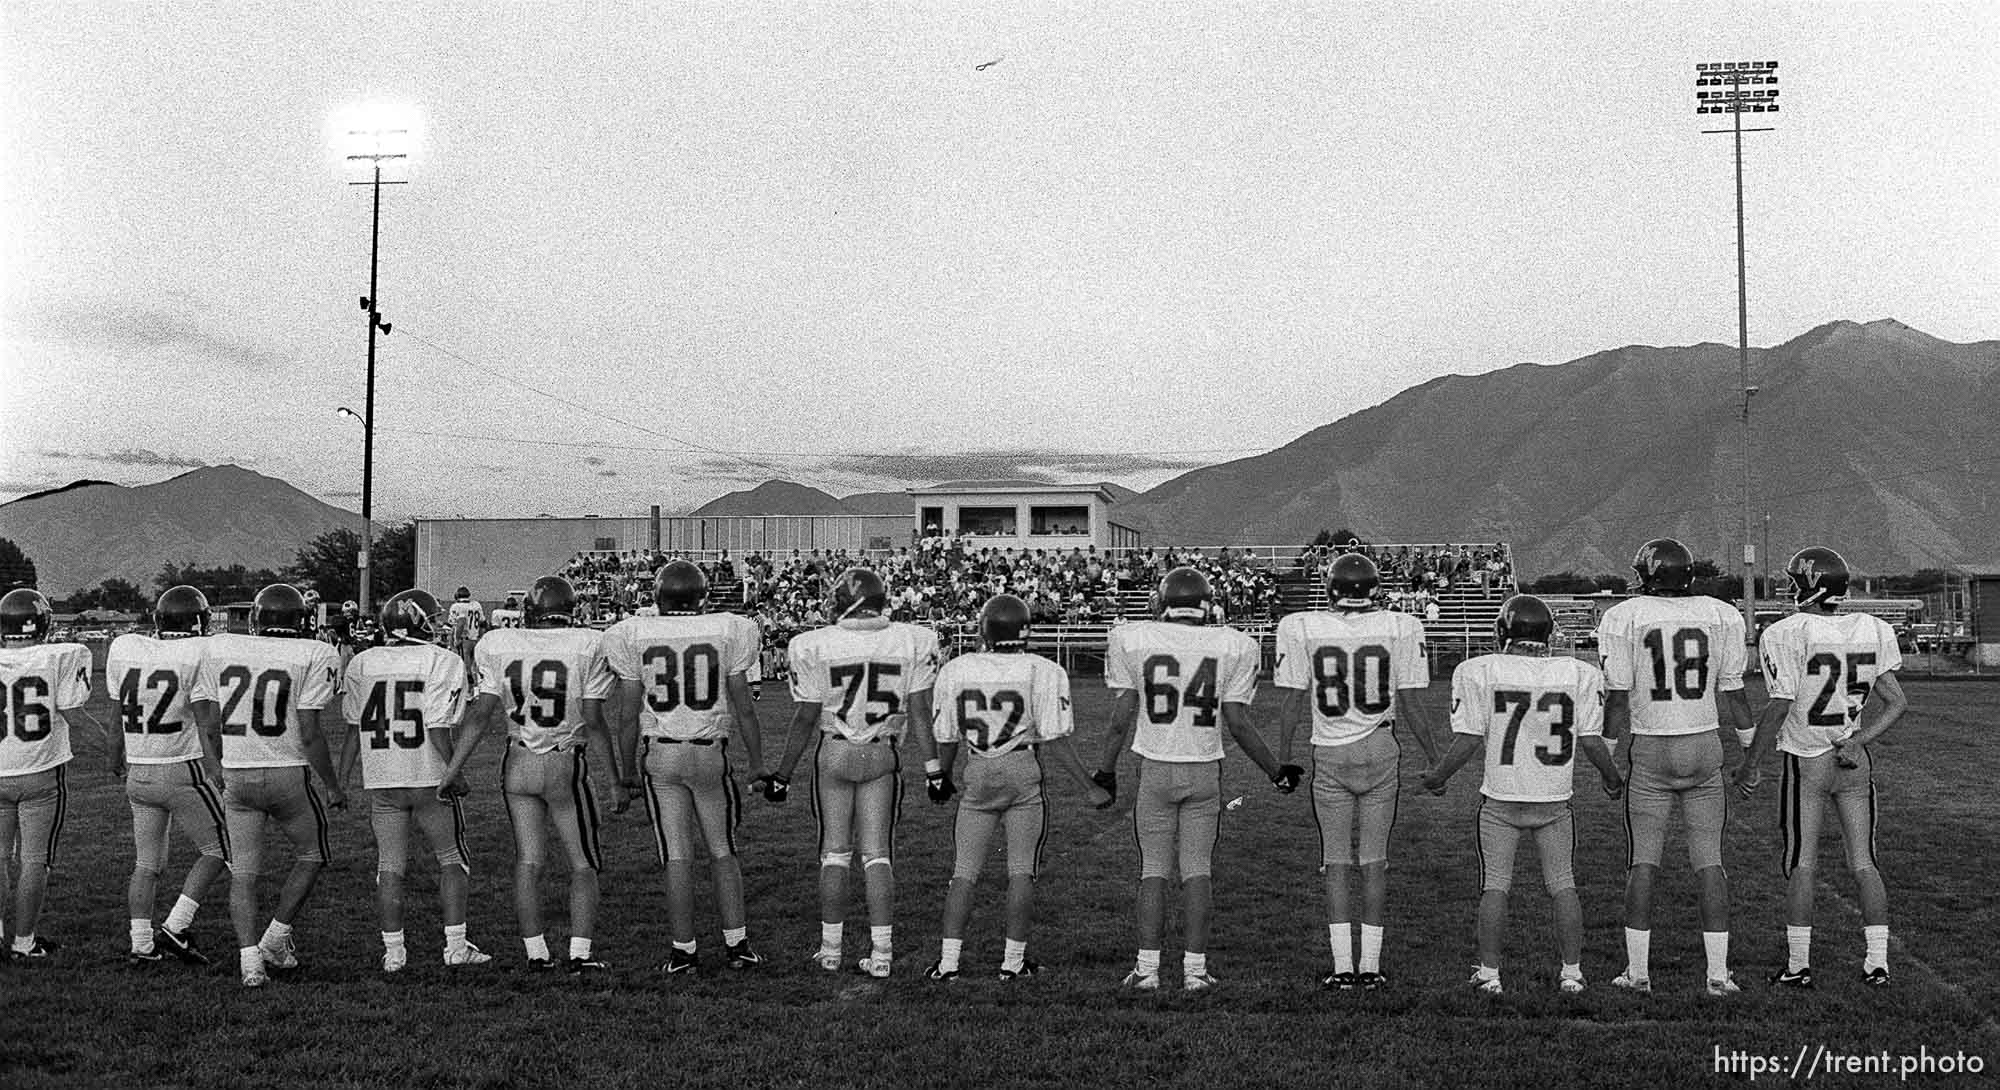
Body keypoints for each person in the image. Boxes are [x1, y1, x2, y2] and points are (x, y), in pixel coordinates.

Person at [1094, 567, 1290, 991]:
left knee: (1153, 871)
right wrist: (1276, 772)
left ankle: (1147, 971)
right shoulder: (1234, 644)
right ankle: (1195, 972)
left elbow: (1120, 719)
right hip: (1203, 771)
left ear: (1163, 603)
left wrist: (1105, 771)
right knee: (1197, 871)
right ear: (1206, 604)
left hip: (1156, 768)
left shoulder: (1134, 638)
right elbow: (1238, 723)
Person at [1423, 595, 1623, 995]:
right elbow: (1592, 741)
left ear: (1503, 631)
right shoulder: (1577, 672)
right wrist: (1613, 778)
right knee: (1563, 883)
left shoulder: (1479, 670)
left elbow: (1467, 739)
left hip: (1501, 799)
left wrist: (1438, 775)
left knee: (1495, 885)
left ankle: (1490, 974)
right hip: (1553, 799)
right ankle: (1572, 973)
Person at [1733, 547, 1907, 988]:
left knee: (1803, 864)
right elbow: (1896, 701)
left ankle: (1798, 965)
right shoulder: (1874, 628)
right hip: (1853, 759)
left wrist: (1750, 762)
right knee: (1864, 862)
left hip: (1807, 759)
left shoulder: (1786, 632)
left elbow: (1782, 703)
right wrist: (1860, 739)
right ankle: (1877, 963)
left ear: (1807, 586)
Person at [760, 567, 939, 979]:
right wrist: (933, 770)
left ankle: (830, 949)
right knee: (877, 855)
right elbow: (920, 713)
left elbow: (805, 718)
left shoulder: (814, 644)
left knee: (835, 853)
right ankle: (881, 954)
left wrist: (782, 775)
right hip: (881, 753)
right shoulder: (911, 639)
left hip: (835, 752)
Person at [1273, 553, 1440, 990]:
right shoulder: (1401, 626)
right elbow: (1414, 703)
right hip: (1382, 746)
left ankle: (1343, 966)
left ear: (1331, 589)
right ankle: (1371, 966)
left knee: (1336, 861)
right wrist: (1434, 759)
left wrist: (1283, 759)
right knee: (1374, 861)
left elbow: (1291, 701)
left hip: (1329, 750)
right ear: (1375, 588)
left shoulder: (1302, 626)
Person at [923, 594, 1110, 982]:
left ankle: (949, 963)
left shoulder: (958, 668)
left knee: (964, 872)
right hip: (1022, 767)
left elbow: (946, 736)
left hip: (978, 766)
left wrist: (941, 774)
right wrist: (1088, 787)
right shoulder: (1041, 669)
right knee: (1021, 872)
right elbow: (1055, 738)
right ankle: (1012, 962)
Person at [1594, 538, 1751, 996]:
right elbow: (1734, 692)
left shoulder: (1624, 617)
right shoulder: (1721, 614)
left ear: (1647, 575)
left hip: (1653, 746)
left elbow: (1618, 697)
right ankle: (1718, 975)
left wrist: (1606, 756)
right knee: (1710, 861)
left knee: (1643, 861)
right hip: (1704, 743)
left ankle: (1638, 972)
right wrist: (1747, 751)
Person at [443, 575, 616, 973]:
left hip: (517, 759)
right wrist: (616, 778)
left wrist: (453, 769)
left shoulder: (498, 644)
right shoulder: (588, 643)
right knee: (582, 862)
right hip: (563, 759)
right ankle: (579, 954)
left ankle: (536, 953)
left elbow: (481, 714)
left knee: (529, 861)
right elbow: (593, 719)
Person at [603, 561, 767, 974]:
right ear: (701, 595)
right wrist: (757, 764)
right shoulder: (729, 629)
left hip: (661, 753)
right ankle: (737, 946)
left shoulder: (631, 634)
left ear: (657, 596)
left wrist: (624, 774)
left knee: (677, 856)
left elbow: (625, 717)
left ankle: (684, 952)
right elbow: (745, 708)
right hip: (710, 751)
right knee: (722, 851)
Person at [189, 583, 349, 988]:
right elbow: (310, 732)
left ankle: (249, 964)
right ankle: (275, 939)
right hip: (287, 772)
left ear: (258, 619)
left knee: (242, 873)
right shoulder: (315, 652)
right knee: (312, 854)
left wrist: (214, 764)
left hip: (237, 773)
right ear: (302, 619)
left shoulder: (222, 647)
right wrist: (332, 785)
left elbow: (207, 721)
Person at [339, 589, 491, 973]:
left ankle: (394, 954)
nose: (440, 624)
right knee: (453, 860)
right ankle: (456, 946)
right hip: (427, 776)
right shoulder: (442, 660)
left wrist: (339, 782)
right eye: (434, 619)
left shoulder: (362, 662)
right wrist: (454, 772)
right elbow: (439, 728)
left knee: (389, 866)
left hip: (383, 776)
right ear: (418, 622)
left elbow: (353, 729)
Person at [105, 586, 230, 966]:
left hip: (139, 773)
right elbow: (208, 726)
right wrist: (219, 767)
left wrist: (115, 757)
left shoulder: (128, 648)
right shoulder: (199, 652)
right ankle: (176, 927)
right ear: (198, 620)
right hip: (182, 769)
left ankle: (141, 944)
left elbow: (115, 720)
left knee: (147, 863)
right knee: (225, 846)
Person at [0, 589, 91, 961]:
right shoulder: (62, 655)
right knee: (34, 860)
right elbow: (77, 718)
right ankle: (24, 942)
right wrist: (119, 753)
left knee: (0, 858)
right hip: (40, 773)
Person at [446, 587, 486, 675]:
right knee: (474, 668)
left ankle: (468, 684)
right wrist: (480, 637)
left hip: (464, 639)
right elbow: (483, 623)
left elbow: (461, 622)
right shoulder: (476, 605)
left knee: (465, 670)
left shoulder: (457, 606)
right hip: (475, 639)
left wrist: (456, 639)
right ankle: (473, 686)